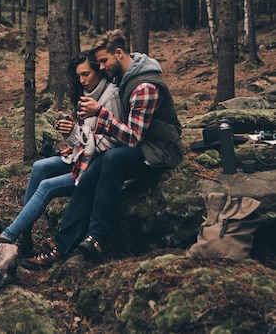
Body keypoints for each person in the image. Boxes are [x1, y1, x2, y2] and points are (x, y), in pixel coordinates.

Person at [20, 29, 182, 270]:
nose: (102, 67)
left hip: (159, 149)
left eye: (104, 61)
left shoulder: (144, 86)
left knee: (112, 159)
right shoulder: (126, 74)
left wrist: (100, 114)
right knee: (86, 181)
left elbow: (133, 138)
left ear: (119, 53)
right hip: (139, 144)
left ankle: (96, 236)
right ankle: (62, 248)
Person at [0, 50, 122, 256]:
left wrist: (75, 132)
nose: (82, 80)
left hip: (97, 164)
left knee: (47, 186)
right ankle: (26, 236)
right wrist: (69, 131)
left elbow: (111, 142)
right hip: (83, 156)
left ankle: (8, 235)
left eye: (86, 74)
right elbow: (84, 138)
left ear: (99, 71)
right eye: (78, 76)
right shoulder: (87, 95)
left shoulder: (110, 96)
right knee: (39, 166)